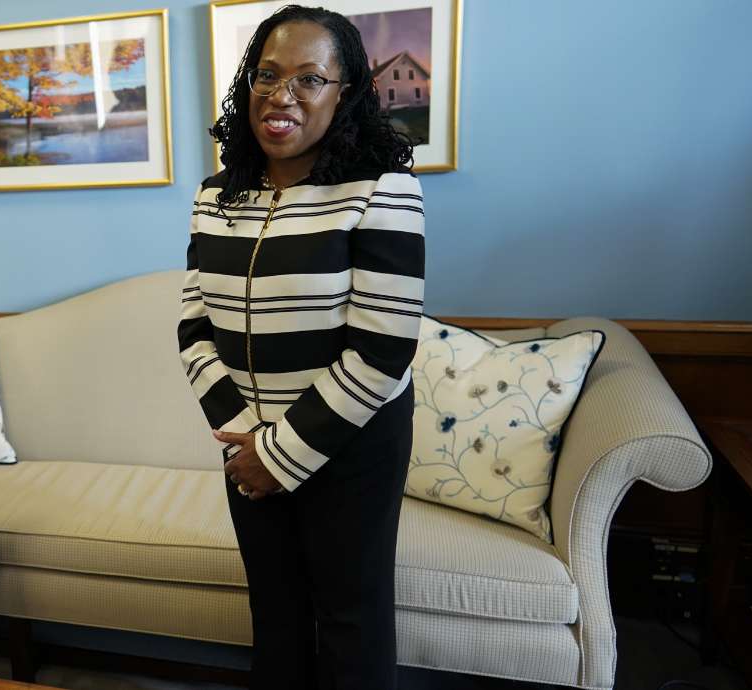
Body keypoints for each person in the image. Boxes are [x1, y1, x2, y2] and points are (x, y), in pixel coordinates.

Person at [177, 5, 425, 688]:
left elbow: (384, 349)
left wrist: (282, 453)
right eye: (267, 74)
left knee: (351, 622)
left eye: (309, 79)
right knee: (276, 617)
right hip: (248, 445)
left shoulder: (381, 188)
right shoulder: (215, 195)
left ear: (343, 96)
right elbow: (193, 326)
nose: (281, 95)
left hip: (352, 446)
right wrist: (247, 439)